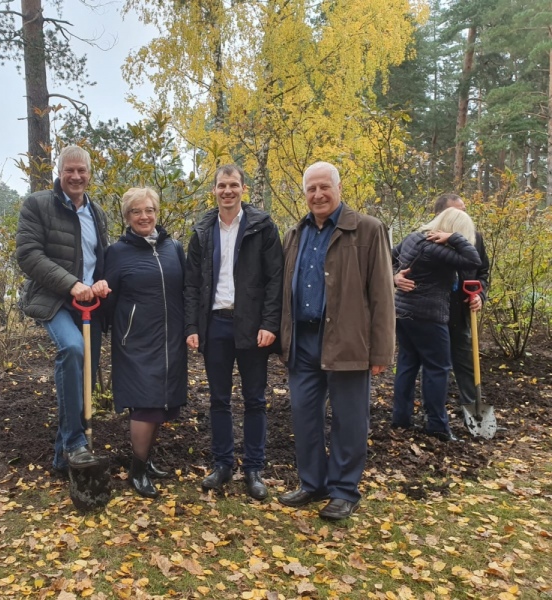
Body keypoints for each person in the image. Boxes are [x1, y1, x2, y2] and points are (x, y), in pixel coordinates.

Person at [279, 161, 395, 521]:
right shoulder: (295, 234)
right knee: (304, 416)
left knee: (349, 419)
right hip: (303, 340)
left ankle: (345, 490)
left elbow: (382, 294)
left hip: (347, 341)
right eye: (311, 189)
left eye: (323, 187)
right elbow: (284, 291)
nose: (317, 195)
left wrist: (381, 350)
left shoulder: (367, 230)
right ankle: (313, 484)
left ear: (338, 188)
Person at [184, 165, 283, 501]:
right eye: (221, 185)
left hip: (253, 326)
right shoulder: (202, 230)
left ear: (244, 189)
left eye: (233, 185)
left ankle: (254, 468)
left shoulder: (262, 226)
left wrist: (270, 323)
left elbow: (275, 280)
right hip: (215, 325)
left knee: (255, 399)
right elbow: (192, 284)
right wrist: (192, 326)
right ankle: (223, 464)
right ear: (213, 190)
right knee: (219, 399)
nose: (227, 191)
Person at [15, 146, 111, 475]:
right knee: (72, 350)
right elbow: (28, 254)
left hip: (89, 305)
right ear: (59, 172)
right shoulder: (38, 204)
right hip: (55, 298)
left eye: (81, 170)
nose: (76, 176)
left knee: (84, 377)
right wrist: (72, 284)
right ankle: (75, 444)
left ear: (89, 173)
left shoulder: (97, 212)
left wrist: (101, 282)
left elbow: (101, 258)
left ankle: (62, 460)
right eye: (69, 170)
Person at [104, 187, 187, 498]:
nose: (144, 216)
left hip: (170, 339)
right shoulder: (117, 252)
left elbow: (185, 289)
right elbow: (107, 297)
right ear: (127, 217)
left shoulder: (173, 248)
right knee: (144, 404)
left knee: (162, 402)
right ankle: (137, 470)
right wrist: (118, 329)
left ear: (157, 213)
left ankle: (147, 461)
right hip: (135, 340)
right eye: (136, 211)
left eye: (149, 210)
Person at [391, 208, 481, 441]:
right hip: (428, 316)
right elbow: (473, 259)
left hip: (402, 312)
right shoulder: (437, 249)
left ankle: (401, 418)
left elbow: (389, 256)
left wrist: (394, 276)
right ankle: (437, 425)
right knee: (438, 368)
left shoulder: (414, 237)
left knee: (408, 363)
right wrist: (454, 239)